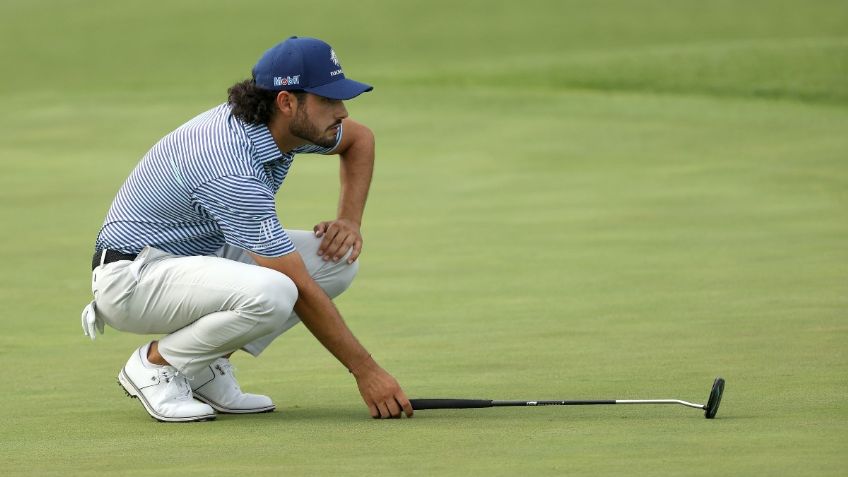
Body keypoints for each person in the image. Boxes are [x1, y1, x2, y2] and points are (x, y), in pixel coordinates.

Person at [81, 36, 413, 422]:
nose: (342, 111)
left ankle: (203, 368)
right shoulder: (230, 167)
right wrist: (367, 371)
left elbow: (360, 139)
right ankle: (157, 365)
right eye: (328, 100)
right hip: (133, 279)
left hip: (195, 257)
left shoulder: (279, 125)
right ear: (287, 101)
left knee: (337, 262)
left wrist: (348, 222)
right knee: (276, 290)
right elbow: (297, 286)